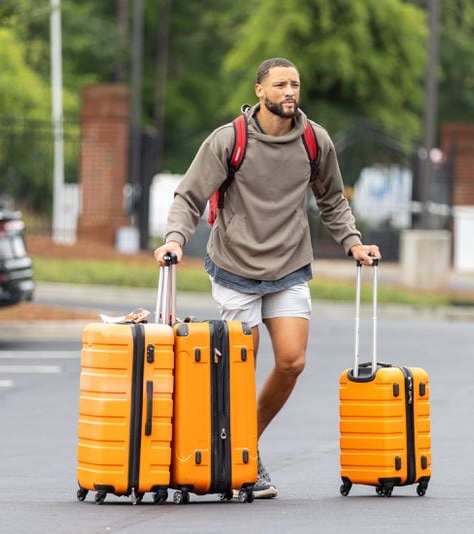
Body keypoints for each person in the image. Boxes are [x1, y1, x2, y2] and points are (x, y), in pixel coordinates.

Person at [154, 57, 380, 499]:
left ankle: (244, 444)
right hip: (236, 266)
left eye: (295, 84)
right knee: (241, 368)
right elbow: (190, 195)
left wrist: (353, 242)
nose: (289, 92)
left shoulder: (315, 141)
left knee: (292, 360)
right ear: (260, 91)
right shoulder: (230, 140)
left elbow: (332, 198)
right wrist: (175, 239)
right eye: (280, 85)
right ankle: (241, 458)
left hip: (290, 265)